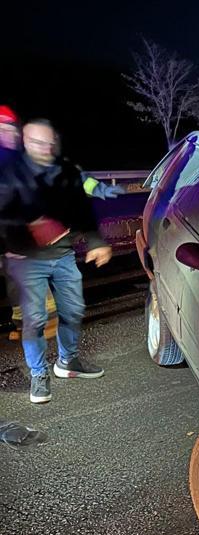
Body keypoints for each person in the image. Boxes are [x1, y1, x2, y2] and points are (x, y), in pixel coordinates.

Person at [2, 119, 112, 404]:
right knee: (35, 318)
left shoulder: (64, 170)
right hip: (27, 259)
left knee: (74, 310)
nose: (45, 148)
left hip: (63, 254)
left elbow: (82, 208)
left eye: (49, 142)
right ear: (25, 142)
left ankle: (68, 361)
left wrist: (97, 241)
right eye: (38, 142)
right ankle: (39, 375)